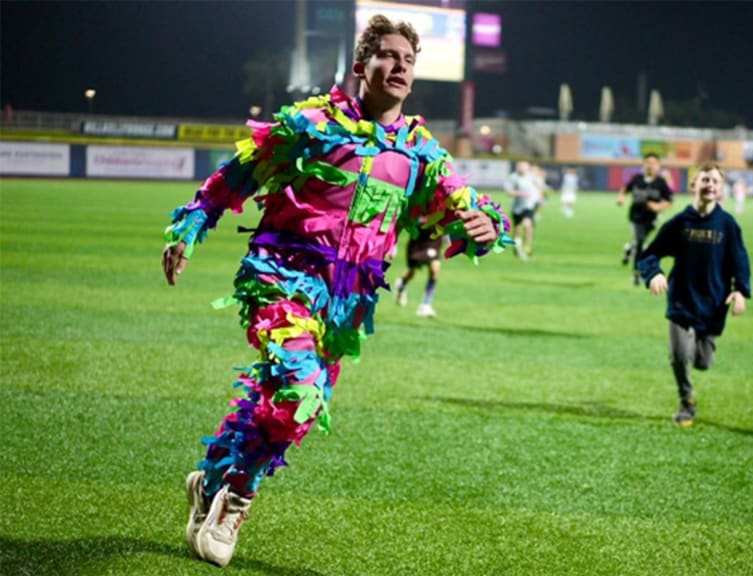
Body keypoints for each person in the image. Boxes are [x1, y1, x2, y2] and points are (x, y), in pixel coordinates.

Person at [163, 15, 510, 568]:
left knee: (277, 403)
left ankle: (210, 481)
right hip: (281, 276)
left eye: (408, 60)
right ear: (361, 65)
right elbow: (240, 172)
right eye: (388, 55)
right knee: (300, 394)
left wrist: (487, 224)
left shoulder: (422, 152)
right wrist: (190, 225)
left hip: (345, 306)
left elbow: (465, 208)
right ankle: (235, 500)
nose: (399, 67)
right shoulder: (311, 123)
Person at [637, 163, 751, 427]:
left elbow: (740, 260)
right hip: (681, 300)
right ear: (693, 185)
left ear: (720, 189)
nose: (710, 185)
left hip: (713, 303)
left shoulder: (727, 225)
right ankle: (686, 401)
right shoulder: (680, 223)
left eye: (715, 181)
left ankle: (699, 348)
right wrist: (654, 273)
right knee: (679, 355)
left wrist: (740, 291)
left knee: (703, 362)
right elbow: (649, 254)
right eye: (705, 180)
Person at [616, 153, 674, 285]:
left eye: (653, 163)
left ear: (658, 166)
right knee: (640, 242)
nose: (650, 165)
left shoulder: (660, 183)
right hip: (636, 217)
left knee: (640, 241)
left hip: (652, 219)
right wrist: (621, 197)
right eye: (648, 162)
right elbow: (625, 189)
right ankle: (636, 273)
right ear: (643, 164)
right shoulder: (637, 179)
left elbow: (669, 200)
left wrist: (658, 206)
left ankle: (629, 249)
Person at [393, 230, 446, 317]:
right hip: (418, 241)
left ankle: (426, 305)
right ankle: (402, 284)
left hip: (434, 241)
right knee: (411, 273)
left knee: (435, 269)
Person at [505, 160, 543, 260]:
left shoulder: (531, 176)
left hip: (529, 205)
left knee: (527, 225)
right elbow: (508, 192)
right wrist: (520, 194)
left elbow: (539, 186)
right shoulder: (513, 177)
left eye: (524, 166)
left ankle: (527, 246)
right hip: (517, 207)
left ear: (527, 168)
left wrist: (539, 196)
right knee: (517, 229)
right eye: (520, 166)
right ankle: (516, 246)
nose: (522, 168)